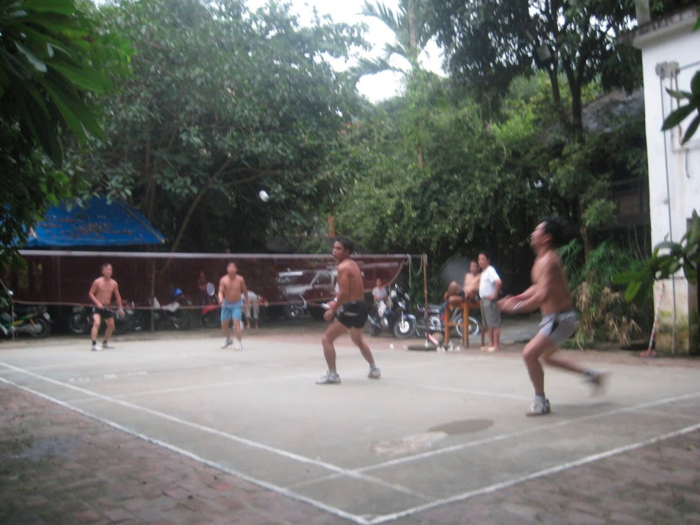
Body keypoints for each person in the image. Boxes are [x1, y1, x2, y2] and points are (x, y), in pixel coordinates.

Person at [499, 217, 606, 416]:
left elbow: (543, 295)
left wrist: (514, 308)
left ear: (546, 238)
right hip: (554, 319)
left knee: (529, 354)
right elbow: (537, 287)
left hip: (561, 319)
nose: (532, 234)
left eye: (536, 231)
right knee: (547, 358)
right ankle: (592, 375)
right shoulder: (541, 259)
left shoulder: (549, 260)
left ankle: (540, 402)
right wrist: (517, 298)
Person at [317, 237, 381, 385]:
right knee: (357, 340)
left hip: (351, 308)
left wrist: (332, 310)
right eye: (334, 247)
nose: (334, 250)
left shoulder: (342, 268)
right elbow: (349, 292)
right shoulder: (352, 264)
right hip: (361, 306)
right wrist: (336, 302)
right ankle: (374, 368)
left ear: (347, 252)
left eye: (338, 248)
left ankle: (333, 375)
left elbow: (344, 293)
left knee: (326, 339)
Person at [88, 263, 124, 352]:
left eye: (110, 269)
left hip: (107, 307)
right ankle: (94, 344)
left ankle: (105, 342)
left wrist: (120, 308)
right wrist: (97, 303)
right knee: (97, 323)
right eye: (106, 269)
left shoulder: (114, 283)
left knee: (111, 326)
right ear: (102, 271)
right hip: (97, 306)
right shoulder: (97, 281)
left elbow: (118, 296)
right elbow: (91, 293)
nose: (108, 271)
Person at [218, 261, 248, 350]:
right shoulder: (223, 280)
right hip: (226, 304)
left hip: (237, 304)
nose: (231, 268)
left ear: (236, 269)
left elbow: (245, 291)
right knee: (223, 325)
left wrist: (246, 301)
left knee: (236, 323)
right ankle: (228, 339)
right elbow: (220, 292)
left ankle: (239, 343)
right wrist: (220, 299)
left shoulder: (240, 279)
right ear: (227, 269)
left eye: (233, 266)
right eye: (229, 267)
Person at [478, 250, 502, 352]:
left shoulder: (490, 270)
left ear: (488, 260)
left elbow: (498, 281)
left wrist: (495, 294)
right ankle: (490, 343)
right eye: (479, 259)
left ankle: (496, 345)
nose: (480, 261)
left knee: (494, 323)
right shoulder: (483, 272)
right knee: (487, 323)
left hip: (490, 300)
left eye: (483, 259)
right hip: (483, 300)